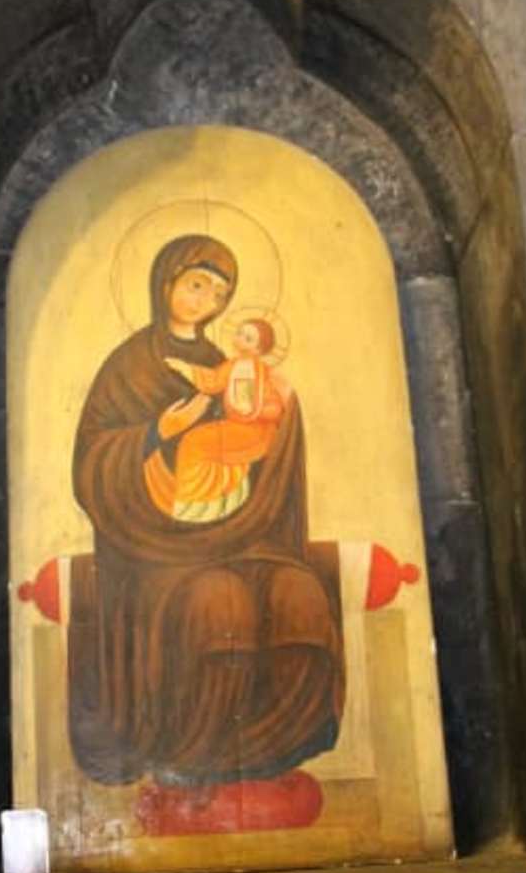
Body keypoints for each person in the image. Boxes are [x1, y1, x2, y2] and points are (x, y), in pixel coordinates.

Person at [70, 233, 343, 831]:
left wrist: (285, 414)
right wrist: (157, 433)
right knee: (218, 603)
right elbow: (92, 464)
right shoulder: (127, 368)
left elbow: (254, 438)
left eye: (220, 293)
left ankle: (272, 753)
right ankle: (192, 762)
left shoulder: (228, 365)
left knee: (298, 595)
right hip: (154, 546)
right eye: (197, 284)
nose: (207, 300)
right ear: (166, 281)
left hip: (241, 530)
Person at [163, 316, 292, 523]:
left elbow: (276, 409)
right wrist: (185, 368)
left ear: (259, 349)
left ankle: (195, 505)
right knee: (191, 441)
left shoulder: (265, 374)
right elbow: (212, 381)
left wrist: (255, 410)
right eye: (240, 333)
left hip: (256, 432)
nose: (240, 340)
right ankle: (196, 506)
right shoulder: (231, 366)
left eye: (248, 338)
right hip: (233, 426)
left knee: (195, 443)